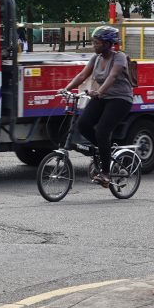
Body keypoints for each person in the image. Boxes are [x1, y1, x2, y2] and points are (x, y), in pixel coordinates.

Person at [63, 25, 134, 187]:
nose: (94, 45)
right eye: (94, 42)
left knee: (102, 130)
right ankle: (102, 150)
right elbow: (82, 75)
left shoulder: (119, 57)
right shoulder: (96, 59)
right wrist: (66, 89)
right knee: (83, 124)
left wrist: (99, 91)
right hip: (102, 96)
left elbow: (113, 76)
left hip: (120, 99)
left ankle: (106, 174)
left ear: (108, 43)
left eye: (97, 42)